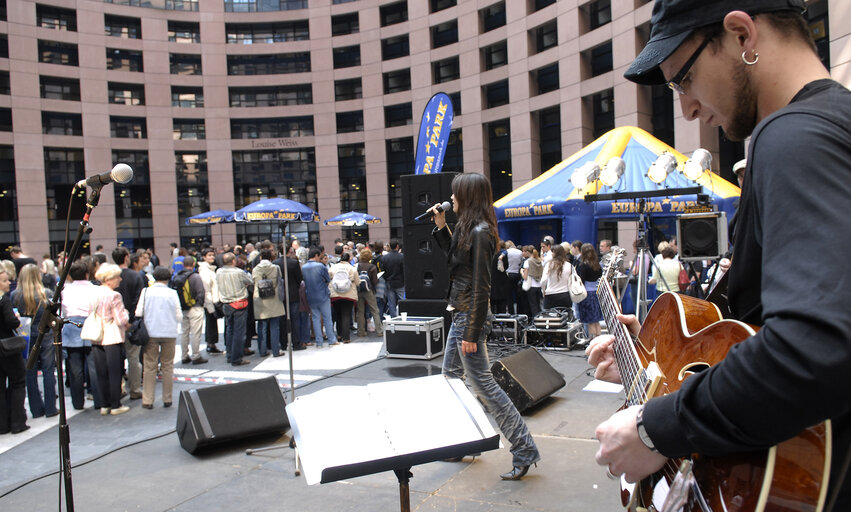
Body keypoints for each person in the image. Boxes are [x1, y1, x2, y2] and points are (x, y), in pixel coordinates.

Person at [588, 1, 851, 510]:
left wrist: (653, 428)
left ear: (741, 34)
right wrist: (658, 372)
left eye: (682, 79)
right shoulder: (830, 126)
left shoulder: (793, 137)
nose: (685, 107)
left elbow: (813, 347)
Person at [430, 173, 540, 481]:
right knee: (450, 379)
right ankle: (468, 441)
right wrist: (441, 227)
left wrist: (472, 331)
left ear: (467, 196)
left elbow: (481, 287)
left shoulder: (481, 232)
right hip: (461, 312)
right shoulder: (469, 228)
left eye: (455, 195)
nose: (451, 199)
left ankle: (523, 448)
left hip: (470, 316)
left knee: (483, 384)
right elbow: (456, 263)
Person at [10, 264, 57, 419]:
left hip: (26, 336)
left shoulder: (15, 295)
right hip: (46, 334)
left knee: (30, 372)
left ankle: (36, 410)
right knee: (48, 371)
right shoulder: (47, 293)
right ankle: (51, 408)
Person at [135, 266, 181, 409]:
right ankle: (167, 399)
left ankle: (148, 400)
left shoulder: (146, 291)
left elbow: (138, 312)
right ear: (168, 278)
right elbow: (179, 315)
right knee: (167, 366)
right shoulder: (172, 293)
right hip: (169, 332)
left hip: (150, 332)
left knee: (149, 366)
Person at [89, 263, 131, 415]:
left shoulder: (94, 292)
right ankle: (115, 405)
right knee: (115, 372)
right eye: (117, 277)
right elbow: (121, 320)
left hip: (96, 336)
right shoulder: (114, 295)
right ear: (109, 279)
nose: (120, 279)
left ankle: (104, 404)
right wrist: (126, 312)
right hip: (112, 336)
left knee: (101, 372)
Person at [61, 260, 102, 411]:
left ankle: (77, 403)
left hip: (71, 326)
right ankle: (99, 401)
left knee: (75, 370)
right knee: (94, 367)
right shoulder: (95, 289)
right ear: (87, 274)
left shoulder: (64, 289)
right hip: (91, 325)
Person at [113, 247, 145, 399]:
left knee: (117, 358)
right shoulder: (135, 276)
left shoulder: (110, 276)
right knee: (133, 358)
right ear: (127, 257)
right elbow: (138, 300)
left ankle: (120, 388)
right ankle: (135, 389)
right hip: (131, 324)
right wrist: (131, 320)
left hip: (114, 324)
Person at [0, 268, 28, 434]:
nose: (9, 283)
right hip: (7, 348)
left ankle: (2, 425)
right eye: (4, 281)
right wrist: (17, 321)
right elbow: (11, 322)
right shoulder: (4, 300)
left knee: (1, 387)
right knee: (18, 382)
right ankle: (18, 422)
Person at [216, 252, 253, 366]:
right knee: (239, 332)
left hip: (226, 304)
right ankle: (236, 358)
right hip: (239, 303)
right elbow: (250, 281)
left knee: (230, 330)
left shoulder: (218, 272)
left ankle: (230, 355)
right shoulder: (239, 272)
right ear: (233, 261)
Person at [252, 244, 285, 357]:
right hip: (274, 298)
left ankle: (262, 350)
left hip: (260, 300)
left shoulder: (255, 269)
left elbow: (253, 283)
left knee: (262, 326)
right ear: (271, 257)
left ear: (261, 257)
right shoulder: (276, 268)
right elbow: (280, 282)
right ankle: (276, 350)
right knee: (275, 326)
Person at [175, 255, 207, 365]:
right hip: (195, 308)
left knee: (184, 332)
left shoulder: (177, 276)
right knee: (195, 333)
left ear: (183, 265)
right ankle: (196, 356)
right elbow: (201, 292)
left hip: (183, 308)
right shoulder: (195, 277)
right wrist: (200, 304)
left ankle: (184, 356)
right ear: (193, 264)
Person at [302, 248, 337, 348]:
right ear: (316, 255)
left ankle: (319, 342)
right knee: (327, 318)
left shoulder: (304, 267)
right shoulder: (320, 266)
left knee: (315, 318)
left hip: (310, 295)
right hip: (322, 294)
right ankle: (331, 339)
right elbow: (327, 279)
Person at [328, 252, 359, 344]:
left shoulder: (333, 267)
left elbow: (329, 277)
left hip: (335, 294)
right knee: (346, 315)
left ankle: (339, 335)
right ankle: (346, 337)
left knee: (338, 315)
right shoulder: (352, 268)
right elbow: (357, 282)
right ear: (349, 259)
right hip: (349, 294)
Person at [575, 243, 602, 338]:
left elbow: (581, 280)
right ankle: (599, 337)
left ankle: (592, 339)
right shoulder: (597, 264)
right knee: (596, 320)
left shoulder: (583, 265)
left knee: (590, 320)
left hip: (586, 294)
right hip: (596, 293)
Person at [198, 248, 222, 354]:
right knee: (211, 323)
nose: (212, 257)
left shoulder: (210, 269)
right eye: (209, 255)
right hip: (210, 301)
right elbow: (206, 289)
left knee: (212, 323)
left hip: (212, 300)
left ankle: (211, 344)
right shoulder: (205, 271)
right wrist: (210, 304)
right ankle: (211, 344)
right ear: (204, 257)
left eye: (213, 255)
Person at [356, 248, 384, 338]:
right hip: (369, 290)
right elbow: (375, 281)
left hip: (359, 290)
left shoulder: (357, 266)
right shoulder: (372, 267)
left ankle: (361, 331)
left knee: (360, 311)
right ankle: (379, 331)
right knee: (375, 310)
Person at [539, 245, 575, 311]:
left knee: (550, 318)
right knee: (565, 317)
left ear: (555, 253)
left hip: (551, 295)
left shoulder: (549, 265)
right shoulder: (569, 265)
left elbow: (543, 281)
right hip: (565, 295)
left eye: (552, 252)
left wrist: (543, 291)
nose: (551, 254)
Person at [380, 240, 404, 317]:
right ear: (397, 246)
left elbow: (383, 271)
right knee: (403, 301)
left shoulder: (384, 258)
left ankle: (394, 319)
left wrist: (387, 278)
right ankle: (403, 317)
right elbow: (404, 270)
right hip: (400, 283)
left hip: (389, 282)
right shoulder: (402, 257)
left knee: (391, 303)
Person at [520, 245, 542, 317]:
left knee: (533, 306)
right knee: (538, 305)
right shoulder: (539, 261)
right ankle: (540, 321)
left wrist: (521, 272)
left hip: (531, 285)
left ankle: (534, 322)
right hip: (539, 285)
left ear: (528, 252)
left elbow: (525, 277)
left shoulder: (528, 262)